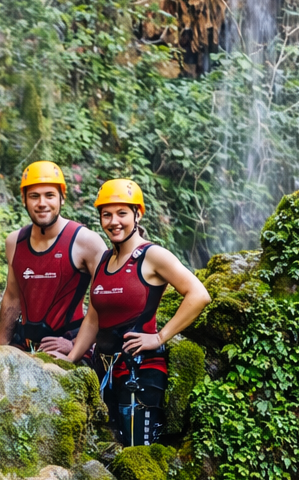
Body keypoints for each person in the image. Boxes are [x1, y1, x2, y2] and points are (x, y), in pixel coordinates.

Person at [65, 179, 210, 446]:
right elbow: (94, 317)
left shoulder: (153, 256)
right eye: (106, 214)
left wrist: (159, 337)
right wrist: (71, 358)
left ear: (137, 214)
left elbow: (199, 295)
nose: (113, 221)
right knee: (104, 449)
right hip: (103, 369)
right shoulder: (105, 260)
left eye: (122, 213)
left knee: (136, 453)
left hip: (140, 373)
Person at [0, 162, 107, 357]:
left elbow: (106, 299)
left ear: (61, 198)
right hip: (25, 344)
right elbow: (12, 297)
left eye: (49, 195)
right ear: (23, 199)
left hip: (69, 343)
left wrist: (74, 345)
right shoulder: (15, 242)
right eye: (34, 196)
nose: (42, 203)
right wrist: (0, 350)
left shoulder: (86, 242)